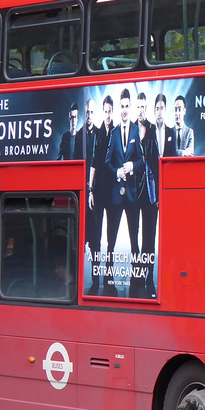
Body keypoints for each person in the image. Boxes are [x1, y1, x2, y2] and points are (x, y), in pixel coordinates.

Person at [104, 88, 144, 296]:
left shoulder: (137, 131)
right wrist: (117, 171)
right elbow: (106, 162)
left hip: (131, 195)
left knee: (134, 238)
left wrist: (132, 166)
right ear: (119, 107)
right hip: (115, 195)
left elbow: (142, 161)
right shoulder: (113, 132)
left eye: (128, 106)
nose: (125, 110)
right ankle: (107, 278)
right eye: (123, 106)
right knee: (110, 238)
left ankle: (137, 280)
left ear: (131, 107)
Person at [86, 94, 113, 294]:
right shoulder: (97, 134)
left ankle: (109, 276)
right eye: (106, 111)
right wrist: (90, 189)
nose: (108, 114)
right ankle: (96, 278)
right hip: (98, 192)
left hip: (113, 193)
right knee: (96, 237)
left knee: (110, 238)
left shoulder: (118, 131)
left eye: (110, 111)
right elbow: (94, 162)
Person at [136, 111, 160, 298]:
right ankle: (137, 276)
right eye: (139, 106)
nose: (141, 110)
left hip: (150, 195)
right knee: (134, 237)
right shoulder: (130, 131)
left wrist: (159, 194)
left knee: (149, 239)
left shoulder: (152, 131)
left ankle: (149, 278)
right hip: (134, 194)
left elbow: (158, 165)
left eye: (144, 106)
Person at [155, 93, 176, 158]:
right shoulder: (149, 131)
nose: (159, 113)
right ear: (154, 111)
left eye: (161, 108)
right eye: (157, 109)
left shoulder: (171, 132)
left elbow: (173, 155)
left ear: (165, 110)